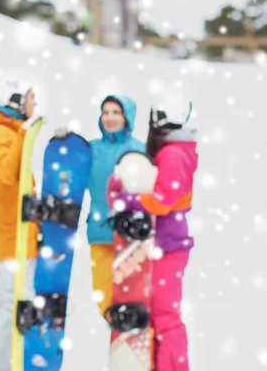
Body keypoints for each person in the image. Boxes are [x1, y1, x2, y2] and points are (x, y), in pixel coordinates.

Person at [106, 97, 198, 371]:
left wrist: (125, 199)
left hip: (168, 245)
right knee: (159, 317)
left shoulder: (172, 153)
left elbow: (161, 200)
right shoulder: (174, 149)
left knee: (165, 317)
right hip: (165, 243)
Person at [0, 78, 40, 371]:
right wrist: (26, 135)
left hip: (18, 233)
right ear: (14, 100)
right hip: (7, 237)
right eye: (30, 97)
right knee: (11, 305)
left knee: (18, 305)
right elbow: (7, 171)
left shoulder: (7, 132)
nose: (34, 103)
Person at [85, 95, 145, 317]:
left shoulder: (141, 149)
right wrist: (66, 149)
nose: (109, 118)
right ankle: (114, 325)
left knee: (131, 292)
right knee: (102, 292)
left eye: (116, 113)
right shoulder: (91, 149)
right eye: (106, 112)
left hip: (132, 235)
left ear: (127, 117)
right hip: (100, 232)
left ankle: (131, 327)